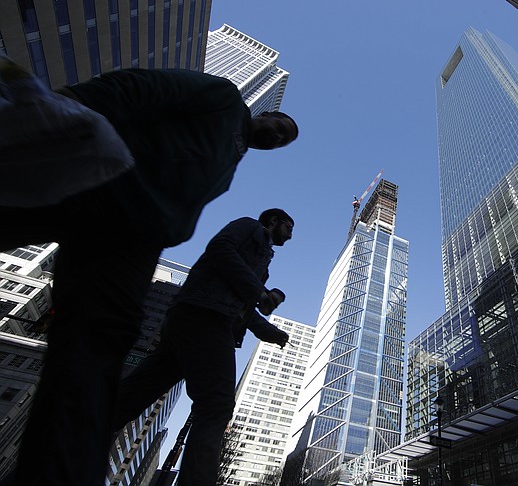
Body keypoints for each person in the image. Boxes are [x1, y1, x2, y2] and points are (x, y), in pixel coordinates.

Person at [0, 69, 298, 486]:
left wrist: (264, 329)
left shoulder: (232, 160)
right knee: (214, 403)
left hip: (140, 240)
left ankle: (51, 470)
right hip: (107, 189)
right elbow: (143, 88)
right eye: (279, 126)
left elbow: (233, 299)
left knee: (111, 374)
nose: (278, 136)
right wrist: (67, 101)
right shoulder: (227, 104)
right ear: (265, 114)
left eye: (283, 139)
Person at [111, 209, 295, 486]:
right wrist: (258, 292)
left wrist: (269, 330)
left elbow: (241, 307)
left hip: (194, 319)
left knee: (133, 395)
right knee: (216, 405)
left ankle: (75, 438)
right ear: (273, 221)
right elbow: (220, 248)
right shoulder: (249, 227)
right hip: (206, 318)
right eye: (288, 227)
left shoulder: (263, 261)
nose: (290, 236)